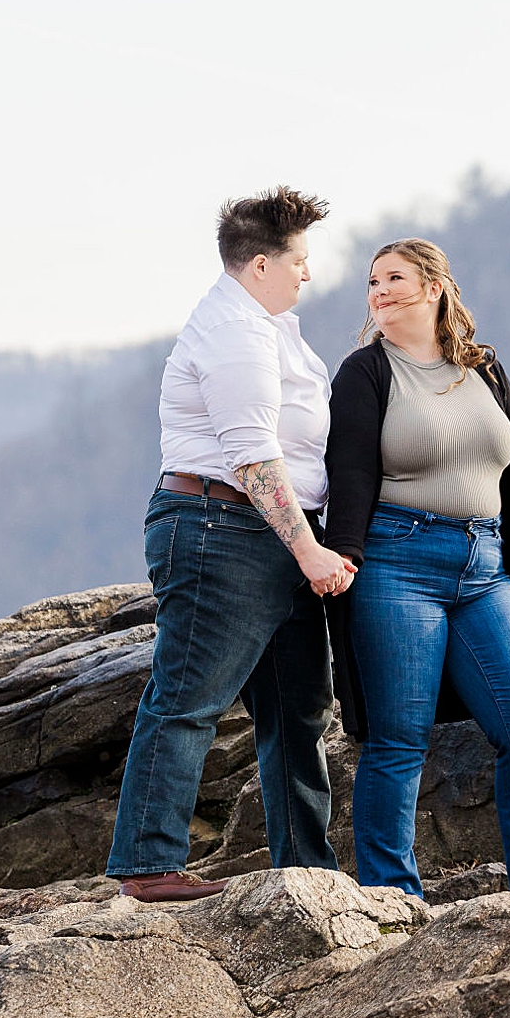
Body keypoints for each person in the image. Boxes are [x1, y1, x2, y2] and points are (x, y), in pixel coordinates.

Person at [104, 186, 357, 903]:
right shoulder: (235, 334)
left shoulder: (271, 328)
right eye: (298, 260)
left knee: (297, 708)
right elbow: (251, 456)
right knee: (190, 697)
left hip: (270, 535)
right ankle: (148, 866)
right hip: (223, 528)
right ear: (260, 265)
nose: (307, 271)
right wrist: (309, 551)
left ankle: (303, 866)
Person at [325, 239, 510, 898]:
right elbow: (349, 473)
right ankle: (394, 898)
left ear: (435, 287)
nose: (379, 291)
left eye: (394, 278)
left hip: (486, 567)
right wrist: (343, 557)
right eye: (372, 282)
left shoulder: (484, 368)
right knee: (398, 738)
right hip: (397, 564)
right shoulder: (365, 372)